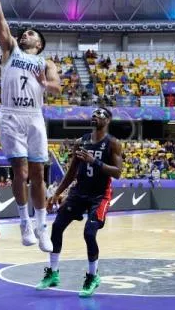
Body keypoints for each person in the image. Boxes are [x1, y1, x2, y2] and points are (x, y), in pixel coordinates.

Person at [0, 0, 61, 252]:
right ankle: (24, 223)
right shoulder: (11, 50)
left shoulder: (45, 60)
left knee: (39, 173)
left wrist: (45, 83)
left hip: (35, 115)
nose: (25, 33)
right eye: (24, 31)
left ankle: (42, 227)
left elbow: (56, 86)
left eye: (31, 33)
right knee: (21, 171)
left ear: (38, 44)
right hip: (12, 114)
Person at [37, 107, 122, 297]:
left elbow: (117, 173)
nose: (95, 116)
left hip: (100, 195)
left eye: (100, 114)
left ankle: (92, 277)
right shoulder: (80, 142)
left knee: (89, 233)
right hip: (79, 192)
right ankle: (53, 272)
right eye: (93, 113)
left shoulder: (113, 143)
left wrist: (95, 162)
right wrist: (57, 193)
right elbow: (72, 171)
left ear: (107, 120)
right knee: (57, 226)